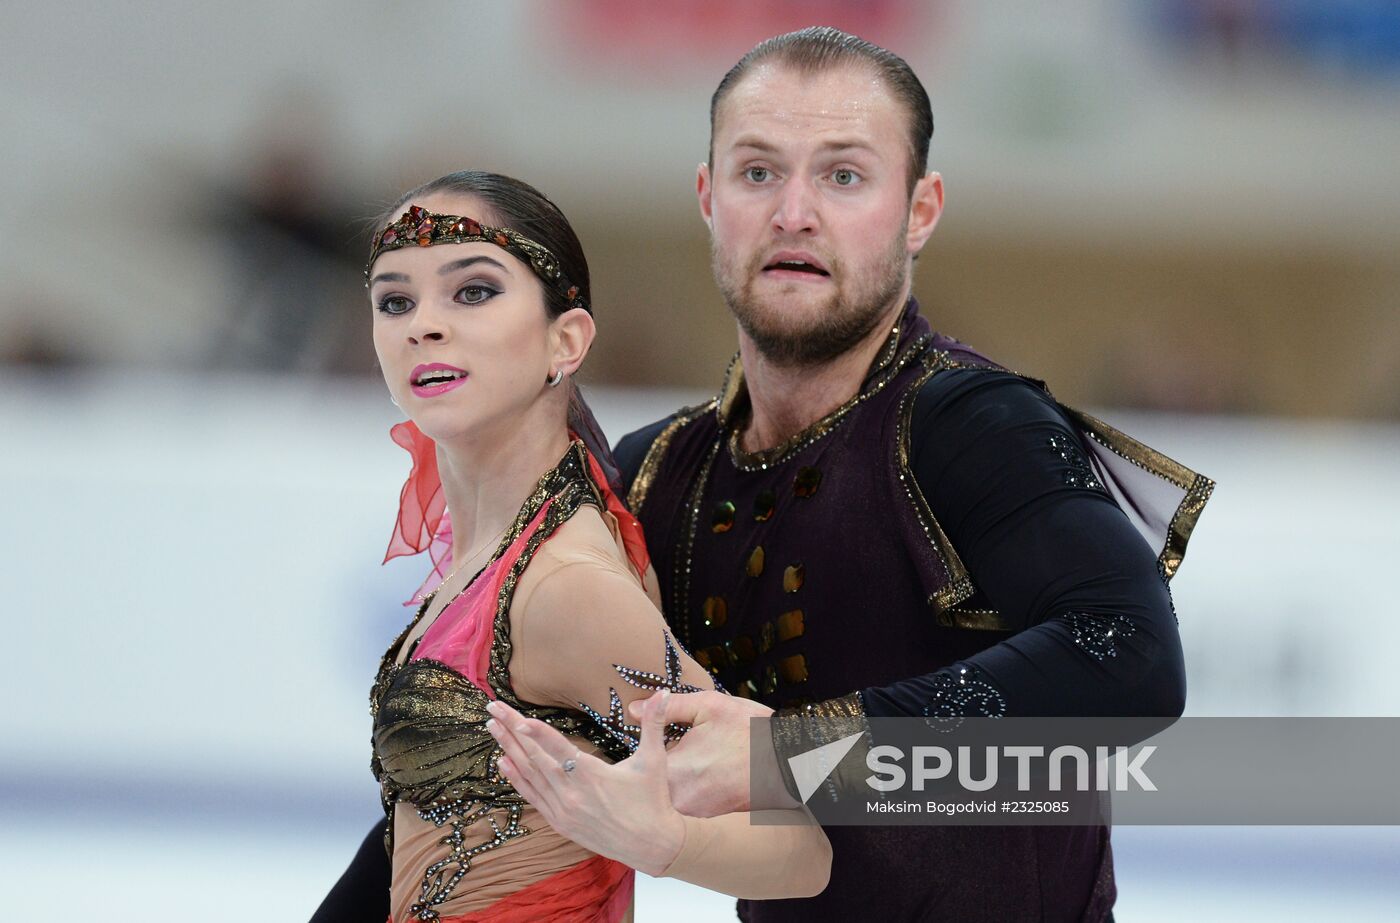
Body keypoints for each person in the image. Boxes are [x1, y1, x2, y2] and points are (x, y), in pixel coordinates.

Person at [320, 27, 1212, 923]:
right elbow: (455, 784)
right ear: (708, 197)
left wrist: (795, 746)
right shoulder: (659, 473)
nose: (795, 212)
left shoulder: (970, 425)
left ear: (921, 209)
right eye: (757, 172)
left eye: (844, 175)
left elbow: (1128, 657)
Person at [332, 170, 830, 923]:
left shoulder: (563, 586)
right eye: (395, 299)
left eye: (472, 291)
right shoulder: (492, 553)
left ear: (565, 339)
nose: (422, 325)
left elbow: (805, 842)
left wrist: (665, 839)